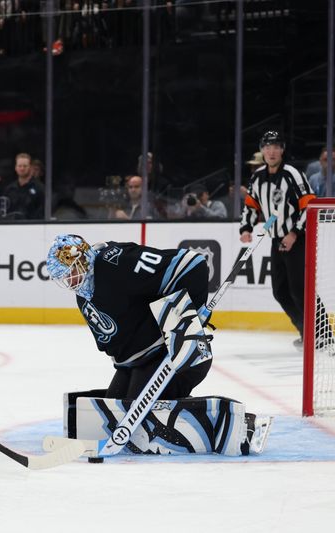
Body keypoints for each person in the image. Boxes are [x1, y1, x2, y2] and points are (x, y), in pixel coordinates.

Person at [46, 234, 271, 456]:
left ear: (84, 257)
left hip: (177, 355)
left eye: (72, 270)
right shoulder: (83, 295)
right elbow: (116, 346)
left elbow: (193, 264)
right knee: (113, 414)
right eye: (64, 276)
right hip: (139, 363)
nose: (70, 279)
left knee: (142, 423)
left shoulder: (117, 262)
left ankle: (242, 425)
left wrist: (186, 319)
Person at [240, 131, 316, 350]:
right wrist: (246, 227)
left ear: (282, 149)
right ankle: (305, 330)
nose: (271, 151)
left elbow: (309, 205)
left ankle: (323, 335)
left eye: (275, 147)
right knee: (280, 291)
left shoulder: (292, 174)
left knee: (301, 289)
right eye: (267, 147)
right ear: (262, 150)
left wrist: (294, 234)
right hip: (276, 240)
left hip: (297, 239)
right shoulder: (258, 177)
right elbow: (251, 206)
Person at [2, 152, 44, 220]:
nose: (22, 168)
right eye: (19, 166)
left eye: (25, 166)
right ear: (16, 168)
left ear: (30, 167)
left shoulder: (39, 188)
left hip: (33, 227)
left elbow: (42, 212)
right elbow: (4, 211)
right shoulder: (9, 189)